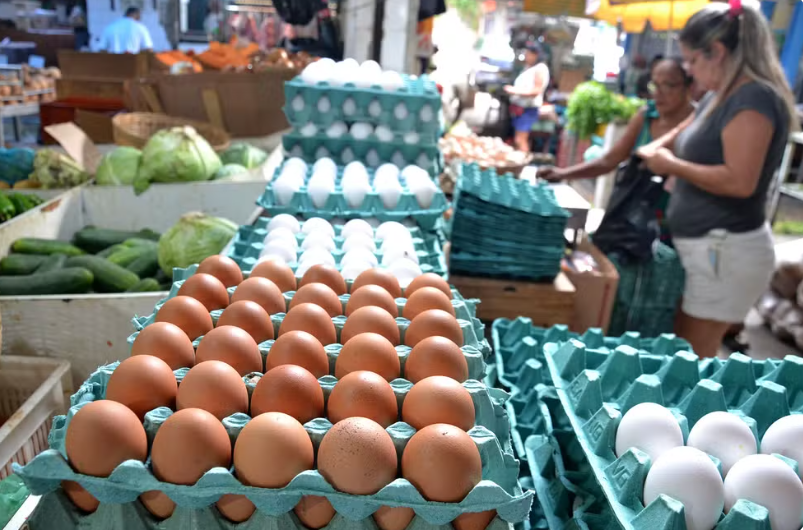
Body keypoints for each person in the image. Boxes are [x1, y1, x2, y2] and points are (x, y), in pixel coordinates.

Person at [636, 0, 796, 358]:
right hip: (707, 249)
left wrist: (672, 165)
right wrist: (653, 149)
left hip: (726, 252)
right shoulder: (720, 94)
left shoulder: (754, 98)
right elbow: (684, 129)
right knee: (684, 346)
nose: (689, 71)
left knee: (691, 357)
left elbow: (740, 182)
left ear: (718, 52)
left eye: (692, 60)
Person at [539, 58, 694, 189]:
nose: (658, 93)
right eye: (654, 85)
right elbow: (609, 161)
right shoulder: (645, 116)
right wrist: (562, 173)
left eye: (668, 85)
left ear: (688, 87)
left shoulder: (698, 123)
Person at [504, 42, 550, 153]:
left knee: (520, 140)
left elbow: (536, 91)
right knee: (518, 139)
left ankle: (523, 160)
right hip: (520, 108)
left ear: (536, 55)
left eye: (528, 54)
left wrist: (515, 91)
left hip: (528, 109)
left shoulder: (540, 69)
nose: (526, 56)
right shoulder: (529, 67)